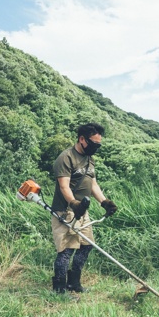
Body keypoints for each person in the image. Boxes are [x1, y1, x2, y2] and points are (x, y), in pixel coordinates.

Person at [50, 122, 118, 293]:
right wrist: (74, 204)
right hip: (65, 211)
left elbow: (92, 183)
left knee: (86, 245)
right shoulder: (66, 157)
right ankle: (59, 289)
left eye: (98, 145)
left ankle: (74, 283)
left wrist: (104, 202)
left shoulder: (89, 159)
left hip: (83, 211)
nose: (96, 147)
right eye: (93, 144)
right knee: (67, 250)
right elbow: (64, 186)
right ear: (82, 139)